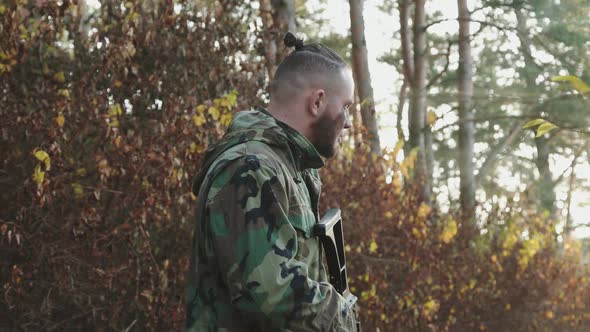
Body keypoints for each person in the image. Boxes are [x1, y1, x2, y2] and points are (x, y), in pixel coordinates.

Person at [186, 32, 358, 331]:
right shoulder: (250, 166)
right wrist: (343, 318)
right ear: (317, 101)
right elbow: (268, 292)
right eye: (345, 107)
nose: (348, 122)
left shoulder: (290, 168)